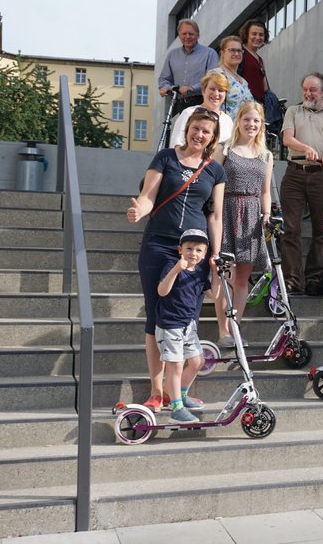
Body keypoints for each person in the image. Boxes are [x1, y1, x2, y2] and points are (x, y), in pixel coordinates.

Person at [127, 108, 226, 411]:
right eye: (196, 128)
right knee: (157, 316)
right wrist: (138, 211)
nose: (200, 135)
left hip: (194, 251)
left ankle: (178, 393)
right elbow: (148, 196)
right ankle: (157, 390)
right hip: (159, 244)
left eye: (206, 131)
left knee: (187, 320)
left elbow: (216, 215)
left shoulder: (214, 170)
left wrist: (216, 254)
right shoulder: (165, 157)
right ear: (187, 129)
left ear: (213, 138)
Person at [280, 72, 323, 296]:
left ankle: (314, 277)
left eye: (312, 90)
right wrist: (304, 148)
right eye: (305, 90)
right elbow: (287, 139)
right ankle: (293, 279)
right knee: (290, 228)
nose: (308, 94)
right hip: (295, 172)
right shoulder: (293, 111)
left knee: (322, 228)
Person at [212, 101, 273, 347]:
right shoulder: (225, 149)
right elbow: (212, 182)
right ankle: (222, 331)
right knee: (226, 275)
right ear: (239, 120)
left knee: (241, 280)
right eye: (247, 119)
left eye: (256, 121)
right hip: (227, 210)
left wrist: (266, 214)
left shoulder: (266, 155)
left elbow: (265, 191)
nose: (251, 124)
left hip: (251, 216)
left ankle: (235, 329)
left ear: (261, 125)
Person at [156, 229, 211, 423]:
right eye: (189, 248)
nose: (193, 253)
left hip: (188, 325)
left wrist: (218, 273)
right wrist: (176, 270)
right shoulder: (172, 265)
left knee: (197, 362)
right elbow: (162, 291)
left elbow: (215, 295)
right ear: (180, 249)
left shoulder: (200, 272)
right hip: (170, 324)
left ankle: (181, 394)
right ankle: (176, 407)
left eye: (198, 250)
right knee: (176, 364)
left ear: (204, 255)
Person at [158, 19, 219, 114]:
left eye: (191, 34)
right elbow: (164, 79)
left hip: (203, 102)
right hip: (178, 104)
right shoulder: (172, 55)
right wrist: (166, 87)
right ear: (179, 36)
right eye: (184, 33)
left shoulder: (210, 53)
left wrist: (193, 89)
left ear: (198, 35)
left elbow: (213, 79)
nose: (187, 36)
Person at [170, 71, 235, 148]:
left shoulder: (228, 121)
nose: (216, 94)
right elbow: (176, 144)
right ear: (203, 91)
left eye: (221, 90)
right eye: (212, 89)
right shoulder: (189, 113)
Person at [211, 36, 255, 119]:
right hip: (225, 128)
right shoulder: (217, 74)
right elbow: (211, 105)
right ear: (222, 53)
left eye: (239, 51)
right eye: (232, 50)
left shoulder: (243, 81)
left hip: (243, 128)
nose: (236, 54)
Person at [237, 19, 270, 102]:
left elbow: (265, 88)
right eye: (254, 34)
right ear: (246, 35)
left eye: (261, 35)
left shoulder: (260, 60)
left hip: (259, 106)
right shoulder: (239, 53)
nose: (258, 37)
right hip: (243, 104)